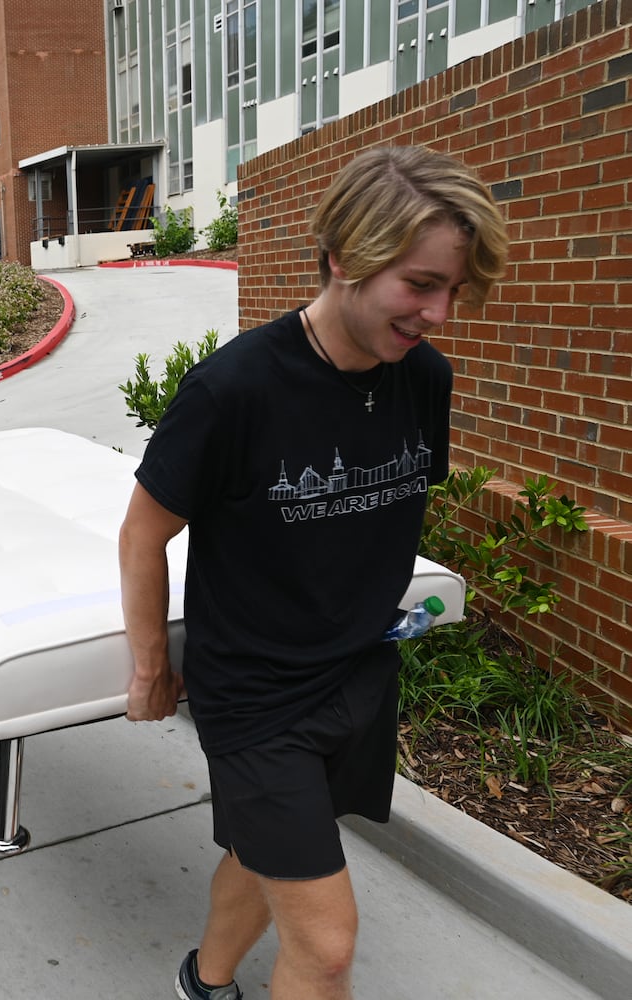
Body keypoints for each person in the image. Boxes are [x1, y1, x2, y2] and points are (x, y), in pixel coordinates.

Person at [120, 145, 509, 1000]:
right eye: (419, 283)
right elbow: (142, 534)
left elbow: (383, 513)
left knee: (266, 858)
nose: (439, 312)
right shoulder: (234, 391)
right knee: (327, 945)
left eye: (453, 289)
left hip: (358, 672)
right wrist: (152, 667)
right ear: (344, 259)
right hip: (256, 692)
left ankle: (203, 980)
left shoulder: (423, 380)